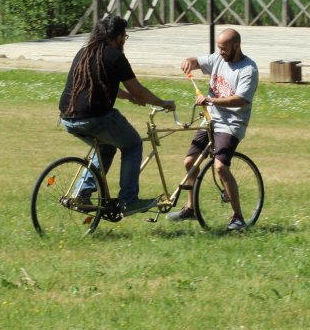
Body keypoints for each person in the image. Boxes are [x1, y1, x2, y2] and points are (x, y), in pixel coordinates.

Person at [59, 16, 175, 215]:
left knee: (106, 147)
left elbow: (99, 85)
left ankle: (82, 194)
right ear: (118, 37)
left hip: (68, 118)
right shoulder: (115, 56)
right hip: (95, 118)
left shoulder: (85, 52)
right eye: (124, 36)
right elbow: (138, 90)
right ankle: (129, 200)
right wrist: (163, 103)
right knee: (133, 144)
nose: (124, 41)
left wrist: (128, 97)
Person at [169, 28, 259, 230]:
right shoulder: (218, 58)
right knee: (189, 162)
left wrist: (210, 100)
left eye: (224, 48)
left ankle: (238, 218)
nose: (221, 52)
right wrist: (189, 61)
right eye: (219, 48)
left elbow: (240, 100)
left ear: (236, 46)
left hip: (231, 124)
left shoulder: (248, 69)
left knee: (220, 167)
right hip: (210, 120)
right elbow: (197, 62)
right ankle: (191, 209)